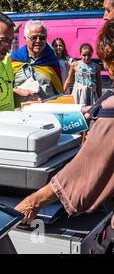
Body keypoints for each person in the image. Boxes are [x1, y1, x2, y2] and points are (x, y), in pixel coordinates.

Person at [14, 20, 114, 244]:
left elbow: (86, 168)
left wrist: (34, 201)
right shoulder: (12, 62)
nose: (106, 68)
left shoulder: (111, 110)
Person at [10, 20, 63, 107]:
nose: (38, 41)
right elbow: (5, 89)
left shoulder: (51, 61)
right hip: (21, 113)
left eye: (42, 38)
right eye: (34, 37)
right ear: (25, 38)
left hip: (47, 112)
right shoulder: (13, 61)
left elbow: (58, 90)